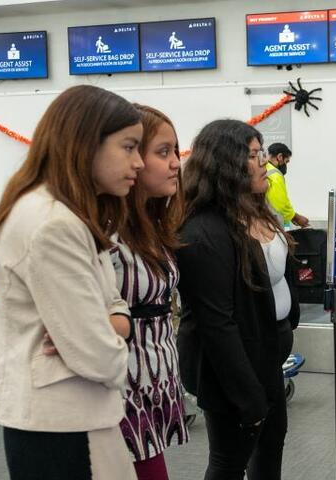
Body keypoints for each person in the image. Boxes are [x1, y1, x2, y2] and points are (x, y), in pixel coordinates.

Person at [0, 85, 143, 479]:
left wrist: (108, 324)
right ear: (86, 143)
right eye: (128, 146)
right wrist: (105, 336)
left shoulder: (65, 212)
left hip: (63, 417)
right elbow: (98, 355)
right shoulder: (53, 224)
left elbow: (113, 308)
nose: (137, 162)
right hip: (63, 423)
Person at [177, 120, 299, 480]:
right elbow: (217, 324)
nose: (264, 162)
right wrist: (248, 396)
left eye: (262, 152)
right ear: (226, 164)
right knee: (230, 460)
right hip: (234, 366)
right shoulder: (205, 230)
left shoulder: (257, 209)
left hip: (266, 354)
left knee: (270, 444)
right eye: (253, 154)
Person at [109, 104, 188, 479]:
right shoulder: (104, 232)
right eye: (163, 152)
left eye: (175, 151)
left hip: (154, 376)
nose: (175, 163)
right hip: (120, 387)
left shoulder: (154, 226)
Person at [265, 142, 310, 228]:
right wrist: (296, 217)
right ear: (280, 157)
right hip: (272, 224)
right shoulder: (275, 174)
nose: (286, 165)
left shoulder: (264, 169)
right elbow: (280, 204)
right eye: (286, 161)